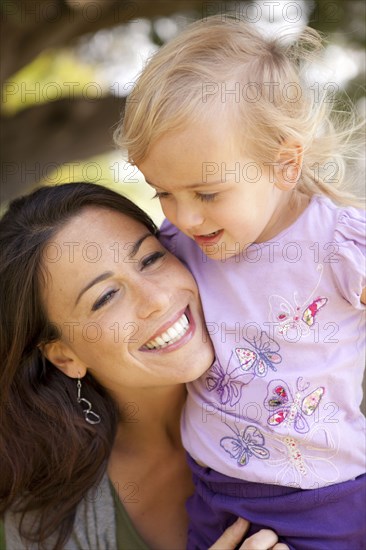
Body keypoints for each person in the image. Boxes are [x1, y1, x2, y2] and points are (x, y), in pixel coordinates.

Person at [117, 15, 366, 550]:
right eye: (163, 192)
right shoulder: (182, 244)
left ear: (284, 163)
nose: (183, 216)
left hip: (321, 500)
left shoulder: (339, 244)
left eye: (206, 193)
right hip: (213, 492)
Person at [0, 182, 289, 550]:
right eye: (105, 297)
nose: (156, 298)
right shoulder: (45, 521)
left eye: (151, 259)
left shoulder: (317, 372)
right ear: (65, 356)